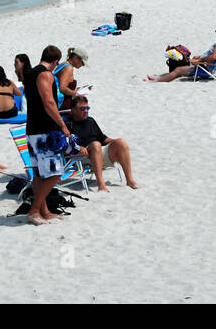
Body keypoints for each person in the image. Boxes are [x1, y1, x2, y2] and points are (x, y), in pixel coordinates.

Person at [24, 45, 74, 224]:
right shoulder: (45, 74)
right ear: (55, 62)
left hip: (32, 129)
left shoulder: (29, 75)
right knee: (55, 173)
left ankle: (44, 212)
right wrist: (62, 125)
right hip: (45, 130)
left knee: (39, 175)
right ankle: (34, 210)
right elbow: (49, 103)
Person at [69, 97, 139, 191]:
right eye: (82, 109)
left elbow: (103, 139)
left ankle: (130, 180)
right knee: (96, 144)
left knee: (120, 142)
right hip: (83, 156)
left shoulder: (91, 121)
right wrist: (78, 148)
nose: (86, 111)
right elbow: (66, 145)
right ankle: (101, 185)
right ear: (73, 111)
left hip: (99, 152)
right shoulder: (68, 125)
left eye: (87, 108)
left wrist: (119, 144)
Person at [147, 25, 216, 82]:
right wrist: (199, 57)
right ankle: (159, 77)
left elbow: (213, 57)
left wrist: (199, 60)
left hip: (205, 68)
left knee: (178, 69)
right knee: (181, 64)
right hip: (206, 65)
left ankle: (157, 80)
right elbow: (213, 57)